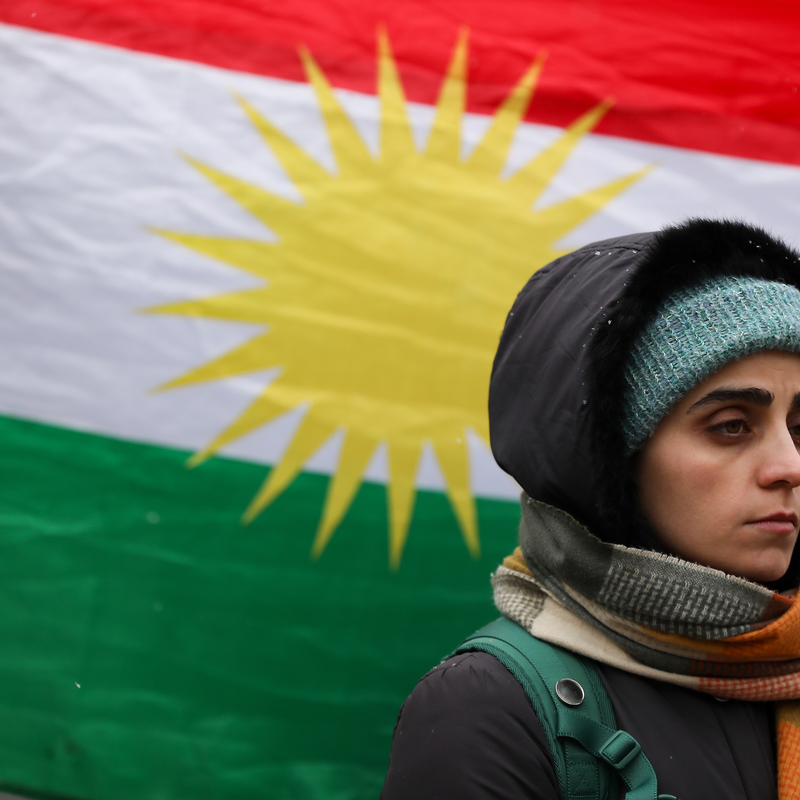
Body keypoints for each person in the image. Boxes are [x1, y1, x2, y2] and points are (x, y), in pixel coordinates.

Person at [380, 218, 800, 800]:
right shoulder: (489, 709)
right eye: (730, 426)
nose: (789, 466)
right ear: (611, 460)